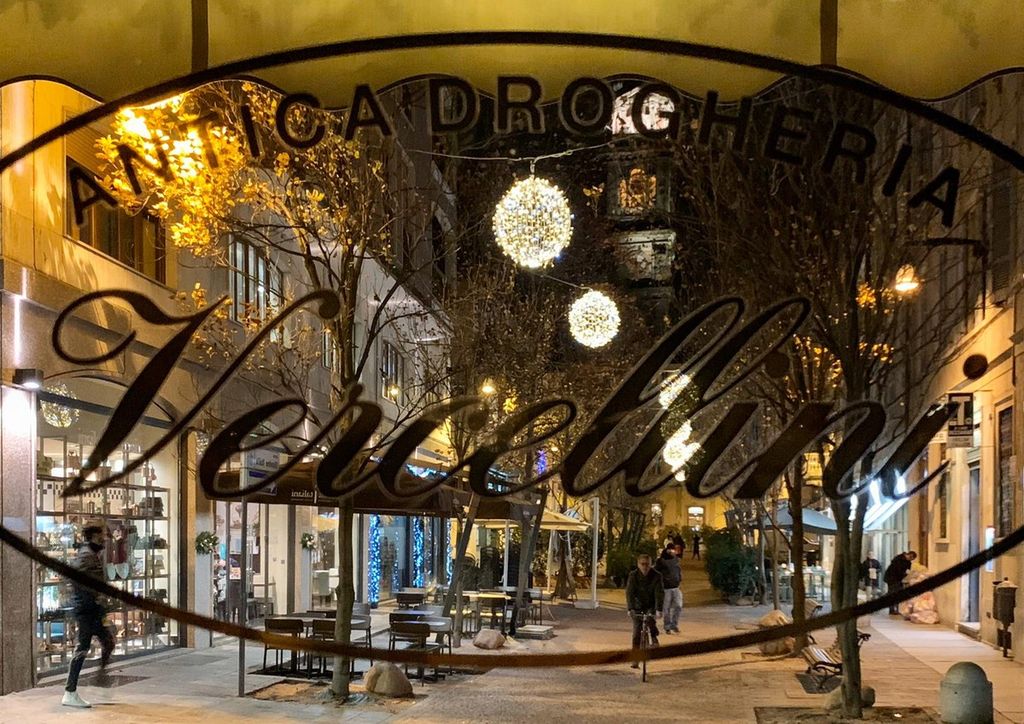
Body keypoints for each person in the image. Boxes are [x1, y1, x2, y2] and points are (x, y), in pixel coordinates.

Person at [62, 524, 115, 708]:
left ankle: (100, 679)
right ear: (93, 536)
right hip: (86, 610)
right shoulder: (86, 555)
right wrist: (92, 595)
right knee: (82, 648)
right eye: (102, 536)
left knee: (108, 642)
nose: (105, 539)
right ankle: (70, 692)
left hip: (93, 609)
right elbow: (74, 577)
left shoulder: (92, 554)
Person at [626, 554, 664, 668]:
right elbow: (629, 592)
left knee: (650, 620)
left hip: (651, 605)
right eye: (642, 564)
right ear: (638, 565)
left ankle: (654, 636)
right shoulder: (633, 575)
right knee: (636, 633)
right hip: (637, 605)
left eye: (647, 564)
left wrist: (659, 609)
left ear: (651, 564)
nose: (645, 567)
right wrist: (630, 608)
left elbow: (659, 593)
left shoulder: (657, 576)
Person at [655, 546, 683, 634]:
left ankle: (674, 625)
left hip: (676, 587)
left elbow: (678, 569)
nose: (673, 552)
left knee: (678, 606)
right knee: (666, 608)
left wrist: (679, 578)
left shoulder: (675, 560)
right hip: (666, 588)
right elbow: (656, 571)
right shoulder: (661, 561)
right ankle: (667, 626)